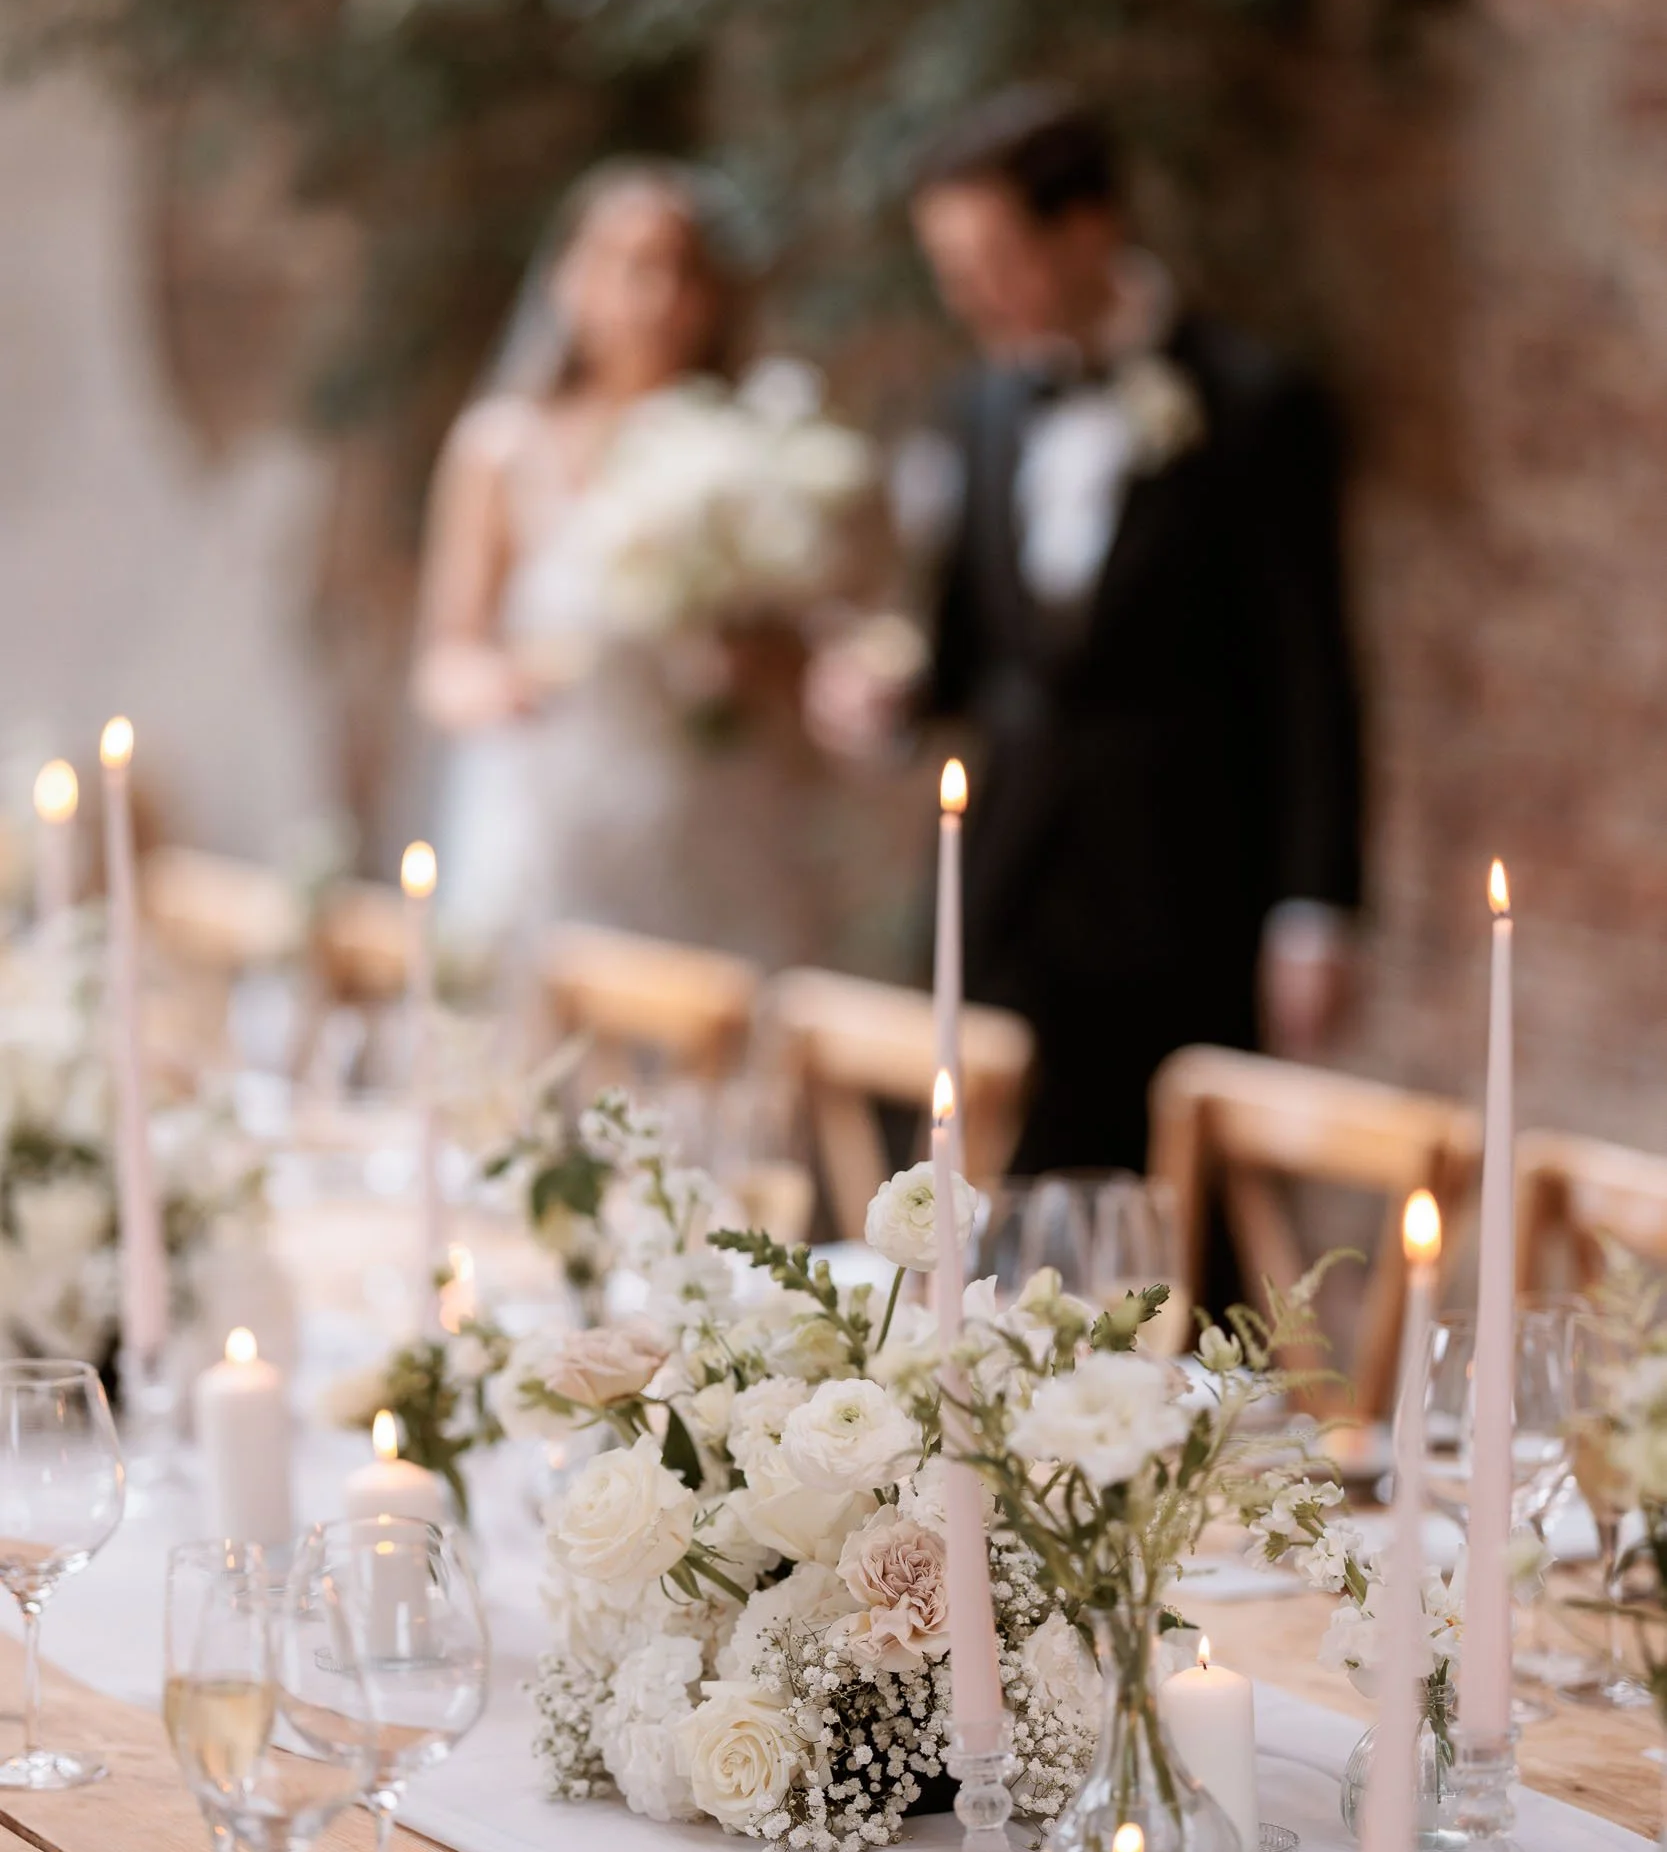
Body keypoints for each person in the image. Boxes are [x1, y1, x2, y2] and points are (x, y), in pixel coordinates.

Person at [810, 85, 1363, 1173]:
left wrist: (1315, 909)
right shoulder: (976, 408)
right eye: (949, 269)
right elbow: (963, 651)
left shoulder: (1253, 403)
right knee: (976, 1198)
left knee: (1167, 1216)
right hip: (1003, 885)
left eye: (993, 260)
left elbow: (1312, 672)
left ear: (1086, 227)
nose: (969, 296)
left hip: (1187, 891)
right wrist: (883, 698)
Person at [414, 160, 878, 966]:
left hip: (720, 826)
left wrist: (765, 662)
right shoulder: (503, 449)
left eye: (685, 273)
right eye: (633, 268)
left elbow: (815, 659)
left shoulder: (763, 447)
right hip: (554, 822)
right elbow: (445, 660)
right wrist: (494, 687)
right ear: (570, 281)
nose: (660, 299)